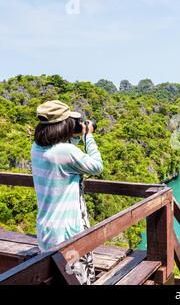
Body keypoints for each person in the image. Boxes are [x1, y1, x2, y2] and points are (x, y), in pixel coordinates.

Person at [31, 100, 103, 285]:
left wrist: (74, 135)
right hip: (68, 234)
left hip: (46, 231)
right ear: (64, 125)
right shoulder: (66, 152)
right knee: (76, 279)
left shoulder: (36, 148)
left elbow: (63, 153)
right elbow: (96, 166)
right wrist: (88, 136)